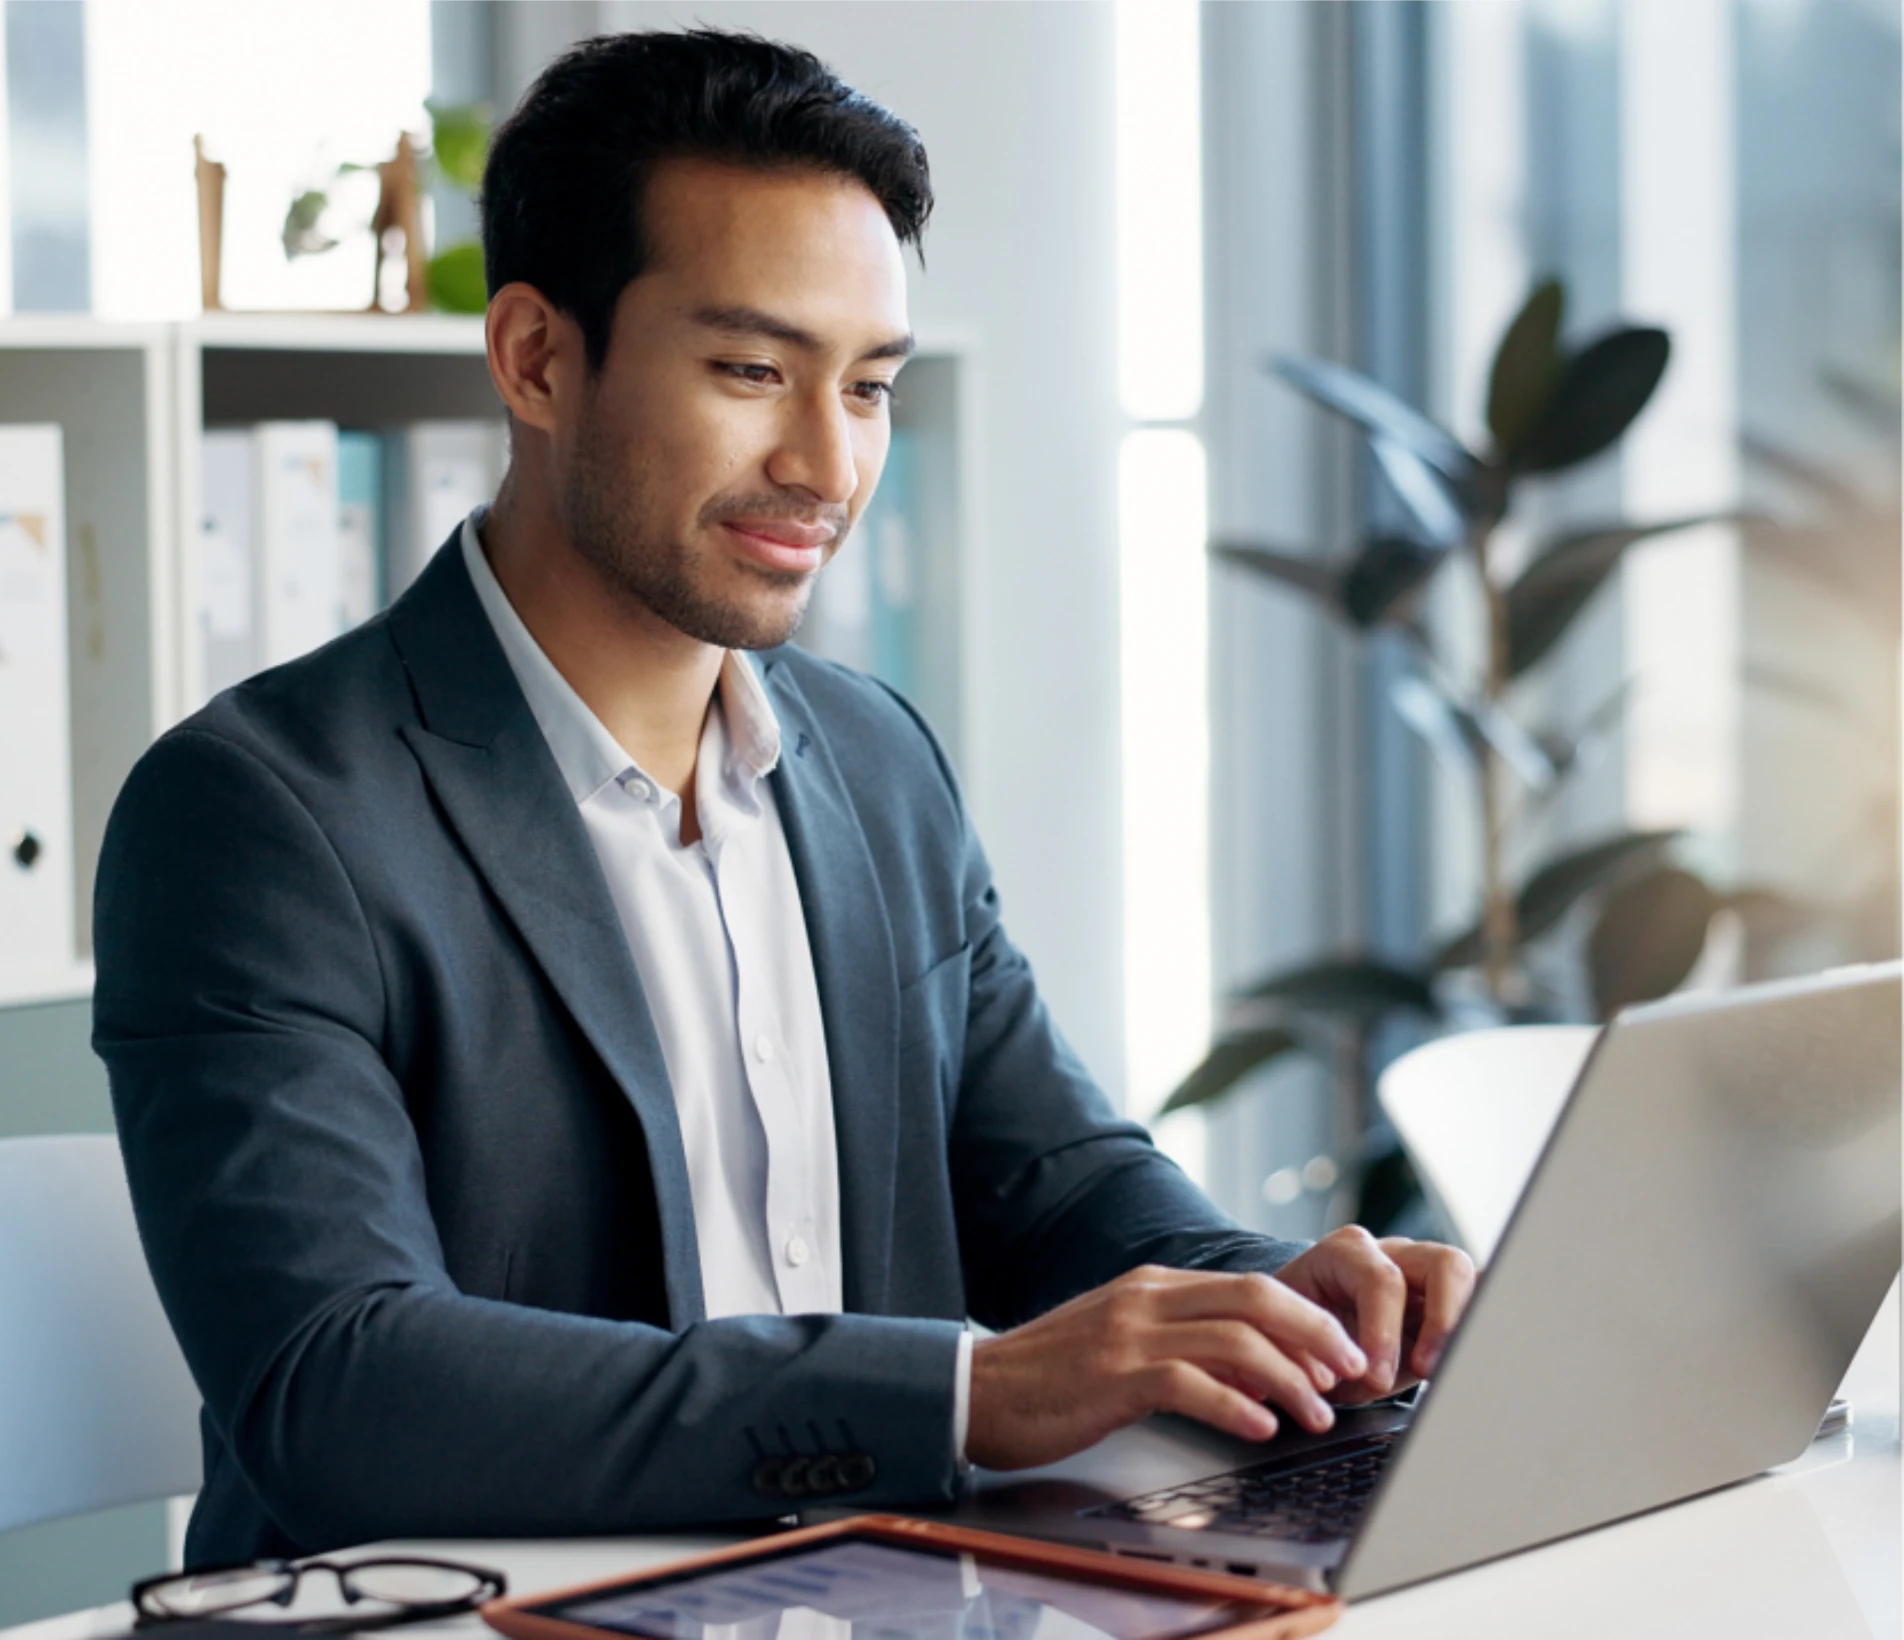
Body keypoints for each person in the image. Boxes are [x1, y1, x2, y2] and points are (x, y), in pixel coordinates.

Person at [93, 29, 1473, 1566]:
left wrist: (1299, 1300)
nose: (827, 463)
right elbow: (341, 1391)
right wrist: (963, 1394)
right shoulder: (257, 815)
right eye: (753, 371)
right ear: (536, 357)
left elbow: (1056, 1182)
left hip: (860, 1592)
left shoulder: (875, 760)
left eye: (869, 386)